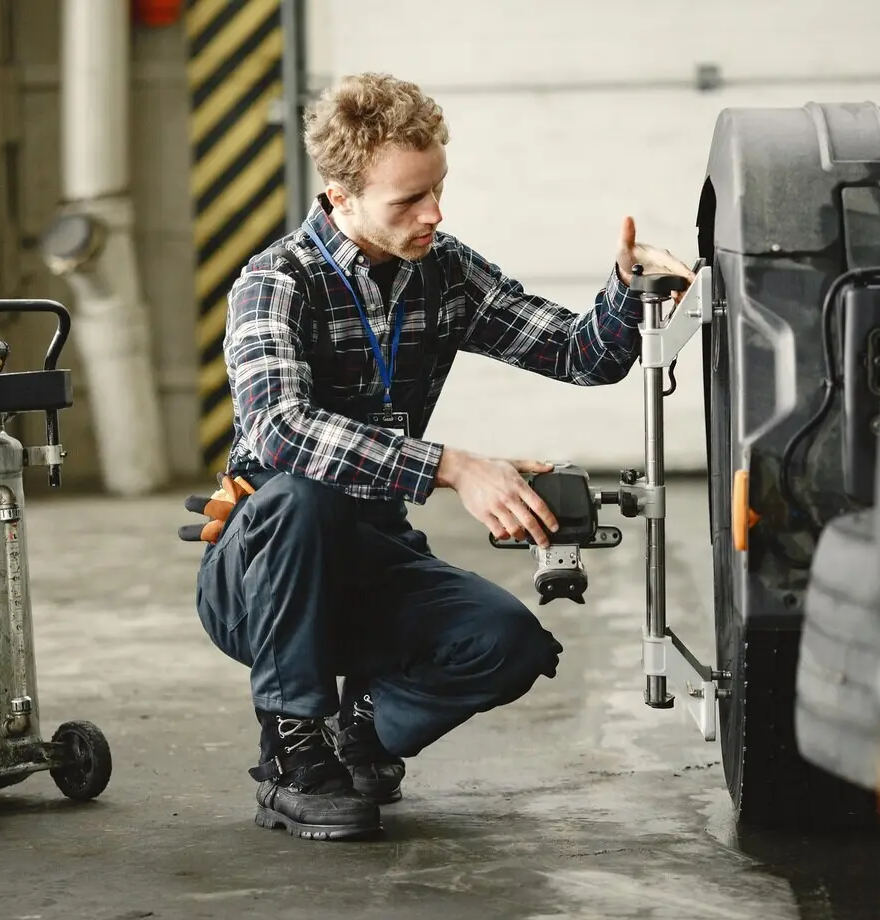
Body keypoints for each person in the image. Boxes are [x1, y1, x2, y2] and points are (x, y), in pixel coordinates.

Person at [181, 72, 695, 842]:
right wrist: (453, 466)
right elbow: (281, 429)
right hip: (263, 571)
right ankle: (291, 752)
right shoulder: (274, 282)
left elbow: (577, 354)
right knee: (300, 495)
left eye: (438, 189)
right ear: (340, 194)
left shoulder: (444, 272)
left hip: (375, 549)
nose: (435, 214)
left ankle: (359, 733)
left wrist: (630, 289)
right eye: (408, 201)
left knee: (509, 644)